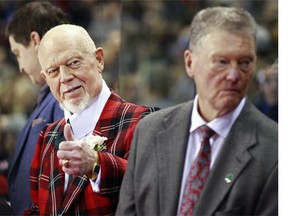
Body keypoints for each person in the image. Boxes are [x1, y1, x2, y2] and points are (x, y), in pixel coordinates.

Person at [116, 6, 278, 216]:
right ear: (190, 62)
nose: (234, 75)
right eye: (221, 62)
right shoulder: (149, 132)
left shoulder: (275, 151)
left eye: (244, 63)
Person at [24, 24, 158, 215]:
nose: (65, 77)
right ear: (45, 78)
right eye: (53, 71)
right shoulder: (47, 135)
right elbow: (38, 208)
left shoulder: (143, 121)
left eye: (73, 63)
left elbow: (152, 189)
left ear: (99, 59)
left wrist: (95, 164)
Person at [5, 2, 69, 215]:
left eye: (17, 53)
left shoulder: (65, 96)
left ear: (34, 40)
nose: (20, 66)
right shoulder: (48, 98)